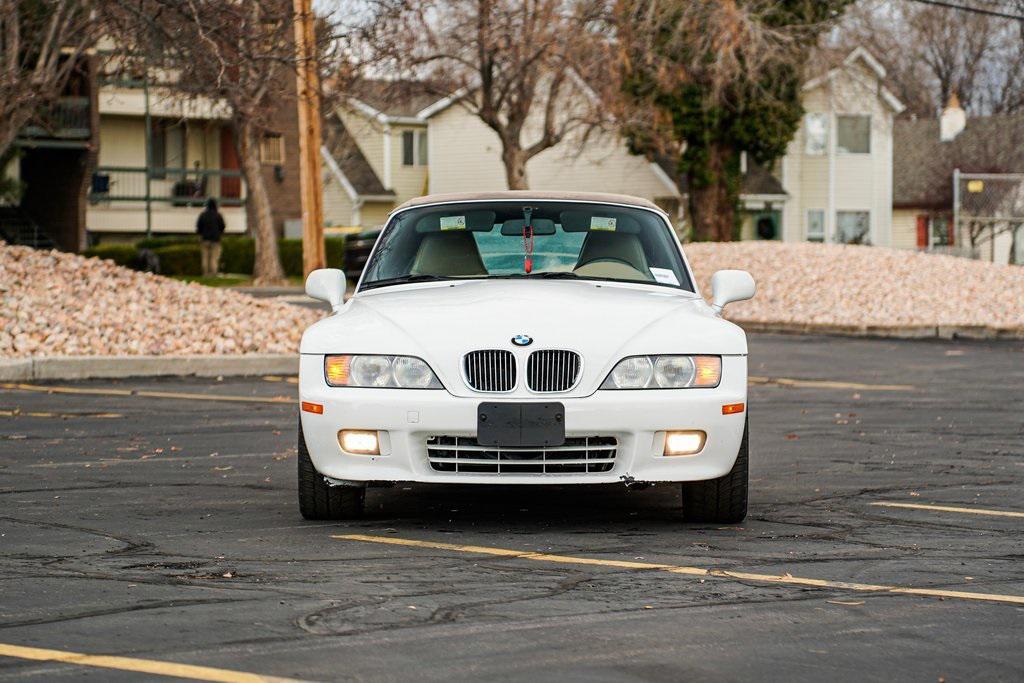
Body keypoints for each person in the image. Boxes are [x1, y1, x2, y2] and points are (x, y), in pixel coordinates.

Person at [196, 198, 226, 277]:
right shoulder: (218, 215)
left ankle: (205, 273)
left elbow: (198, 226)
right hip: (215, 239)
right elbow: (222, 226)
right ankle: (213, 273)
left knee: (205, 257)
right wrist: (220, 233)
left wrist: (200, 235)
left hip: (205, 239)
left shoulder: (203, 215)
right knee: (214, 257)